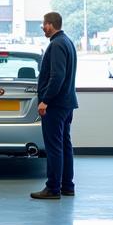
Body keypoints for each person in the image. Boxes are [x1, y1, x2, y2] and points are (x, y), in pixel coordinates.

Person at [30, 11, 79, 200]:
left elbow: (57, 76)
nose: (43, 27)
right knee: (65, 145)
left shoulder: (57, 44)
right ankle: (67, 186)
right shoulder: (67, 42)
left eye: (44, 24)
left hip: (56, 105)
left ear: (51, 24)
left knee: (54, 147)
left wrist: (45, 100)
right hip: (66, 103)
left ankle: (53, 188)